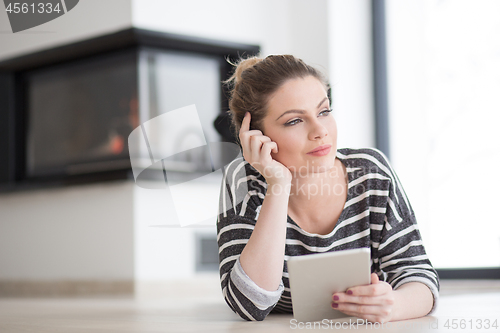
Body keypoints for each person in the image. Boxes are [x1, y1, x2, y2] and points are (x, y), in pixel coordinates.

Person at [216, 54, 439, 322]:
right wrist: (278, 184)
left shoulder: (370, 171)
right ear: (256, 135)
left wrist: (394, 305)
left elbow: (419, 276)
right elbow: (249, 304)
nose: (320, 130)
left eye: (324, 111)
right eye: (294, 121)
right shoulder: (242, 180)